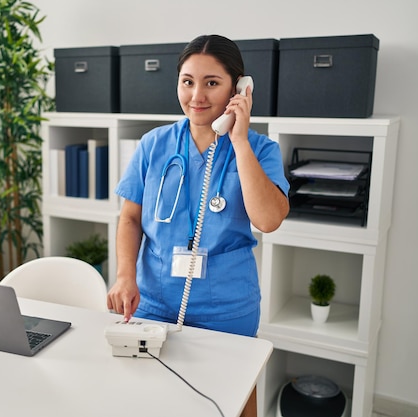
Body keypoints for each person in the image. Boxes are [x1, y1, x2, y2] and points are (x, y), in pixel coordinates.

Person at [106, 34, 290, 417]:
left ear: (238, 88)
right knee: (152, 401)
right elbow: (130, 217)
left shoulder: (260, 150)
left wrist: (238, 141)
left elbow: (268, 220)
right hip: (154, 302)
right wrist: (125, 275)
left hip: (227, 307)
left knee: (233, 402)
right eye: (188, 81)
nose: (197, 96)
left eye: (212, 83)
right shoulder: (154, 144)